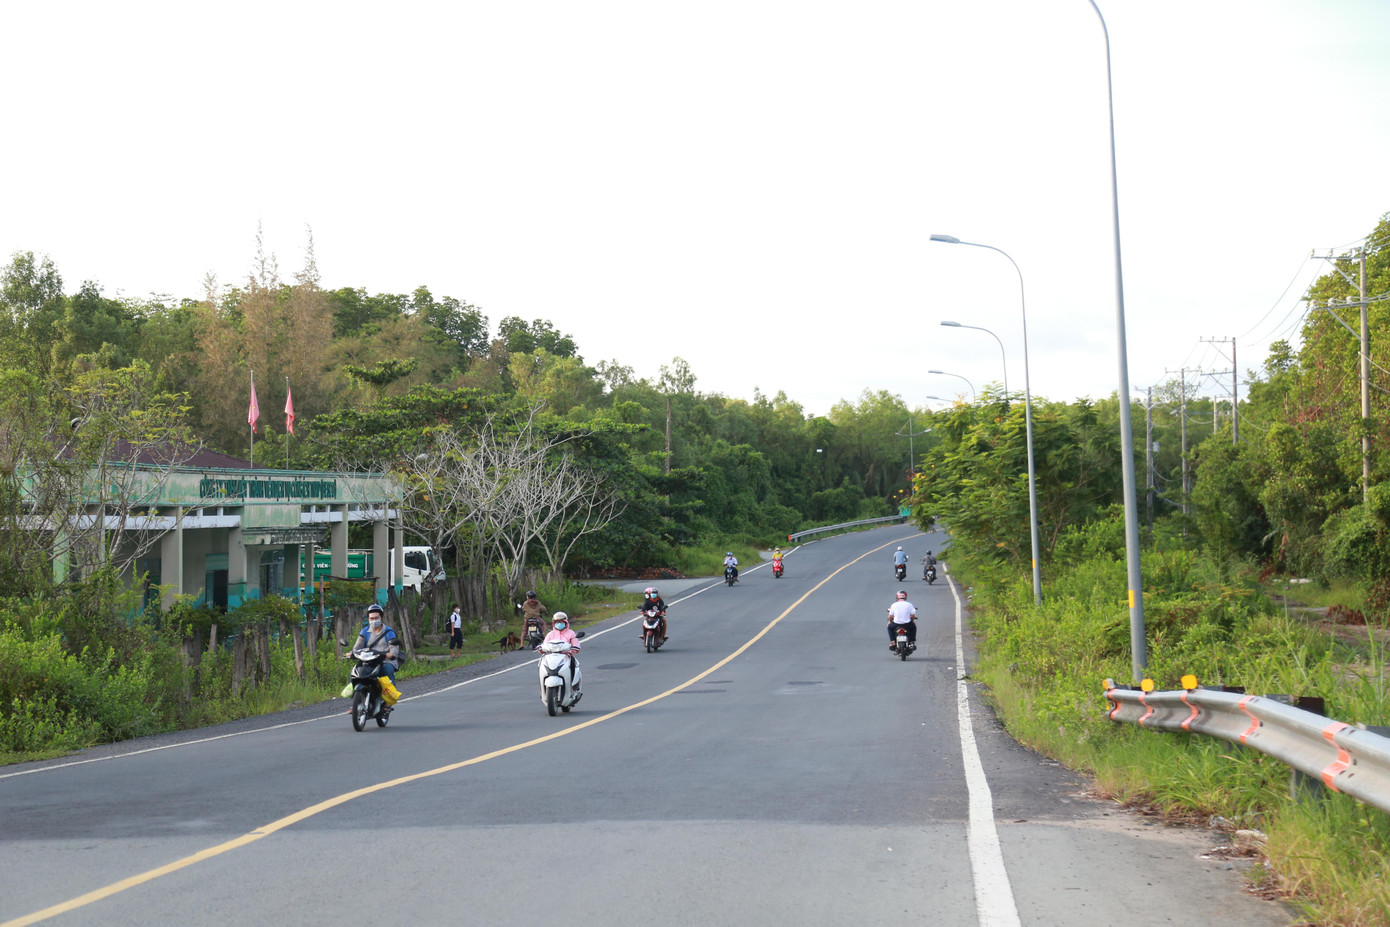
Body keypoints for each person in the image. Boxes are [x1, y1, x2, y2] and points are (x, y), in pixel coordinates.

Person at [354, 603, 402, 685]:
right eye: (371, 618)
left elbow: (394, 648)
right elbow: (357, 647)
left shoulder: (389, 632)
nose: (374, 620)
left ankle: (390, 693)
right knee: (356, 671)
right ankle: (354, 692)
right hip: (369, 660)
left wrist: (391, 654)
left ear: (381, 618)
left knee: (387, 668)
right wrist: (353, 653)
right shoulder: (364, 632)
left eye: (376, 618)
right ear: (368, 619)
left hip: (385, 660)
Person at [540, 611, 582, 680]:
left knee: (573, 665)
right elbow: (544, 645)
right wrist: (541, 648)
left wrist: (576, 647)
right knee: (542, 665)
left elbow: (576, 644)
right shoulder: (550, 634)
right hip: (552, 658)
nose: (559, 624)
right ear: (553, 623)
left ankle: (572, 683)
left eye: (562, 622)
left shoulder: (570, 633)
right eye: (557, 622)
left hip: (566, 657)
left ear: (566, 622)